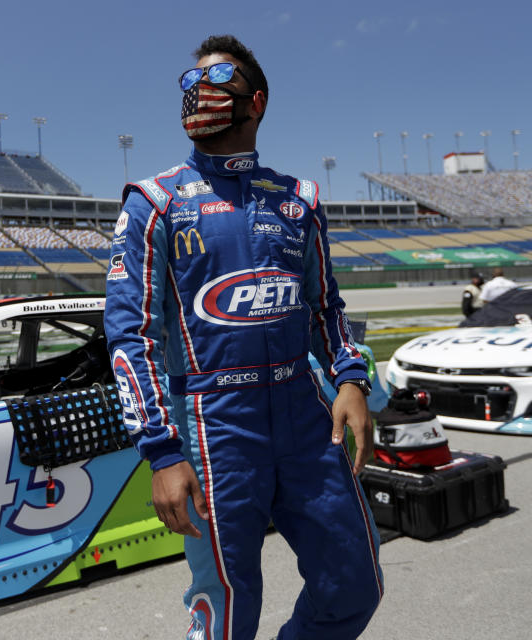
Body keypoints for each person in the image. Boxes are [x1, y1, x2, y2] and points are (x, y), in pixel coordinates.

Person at [104, 34, 383, 640]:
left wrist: (350, 377)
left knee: (355, 582)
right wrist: (162, 450)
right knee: (228, 611)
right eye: (189, 82)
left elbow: (324, 307)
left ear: (256, 101)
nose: (198, 92)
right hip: (211, 421)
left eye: (216, 80)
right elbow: (131, 336)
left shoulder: (299, 200)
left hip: (304, 413)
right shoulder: (154, 201)